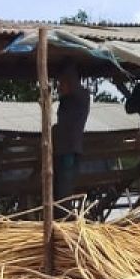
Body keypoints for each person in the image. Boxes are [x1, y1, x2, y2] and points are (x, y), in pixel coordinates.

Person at [53, 65, 91, 212]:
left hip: (69, 149)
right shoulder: (67, 100)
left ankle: (65, 216)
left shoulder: (81, 96)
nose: (59, 86)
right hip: (62, 149)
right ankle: (60, 214)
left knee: (65, 185)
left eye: (62, 82)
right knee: (59, 186)